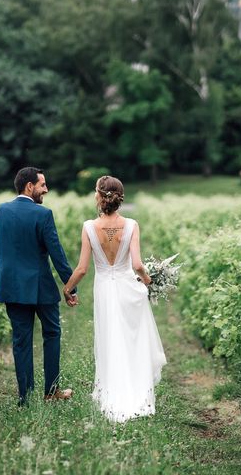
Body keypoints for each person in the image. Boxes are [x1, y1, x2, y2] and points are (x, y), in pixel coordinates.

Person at [62, 175, 166, 422]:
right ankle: (135, 392)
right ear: (120, 198)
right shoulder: (131, 225)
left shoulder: (89, 227)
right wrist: (149, 282)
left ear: (99, 196)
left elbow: (82, 269)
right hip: (127, 287)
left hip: (104, 288)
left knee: (109, 337)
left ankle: (111, 391)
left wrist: (68, 289)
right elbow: (138, 265)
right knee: (131, 339)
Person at [0, 167, 77, 406]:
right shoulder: (43, 214)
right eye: (42, 185)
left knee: (21, 340)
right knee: (52, 333)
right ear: (29, 186)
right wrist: (71, 286)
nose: (46, 190)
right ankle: (51, 391)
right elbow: (56, 253)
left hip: (10, 286)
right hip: (40, 287)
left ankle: (24, 396)